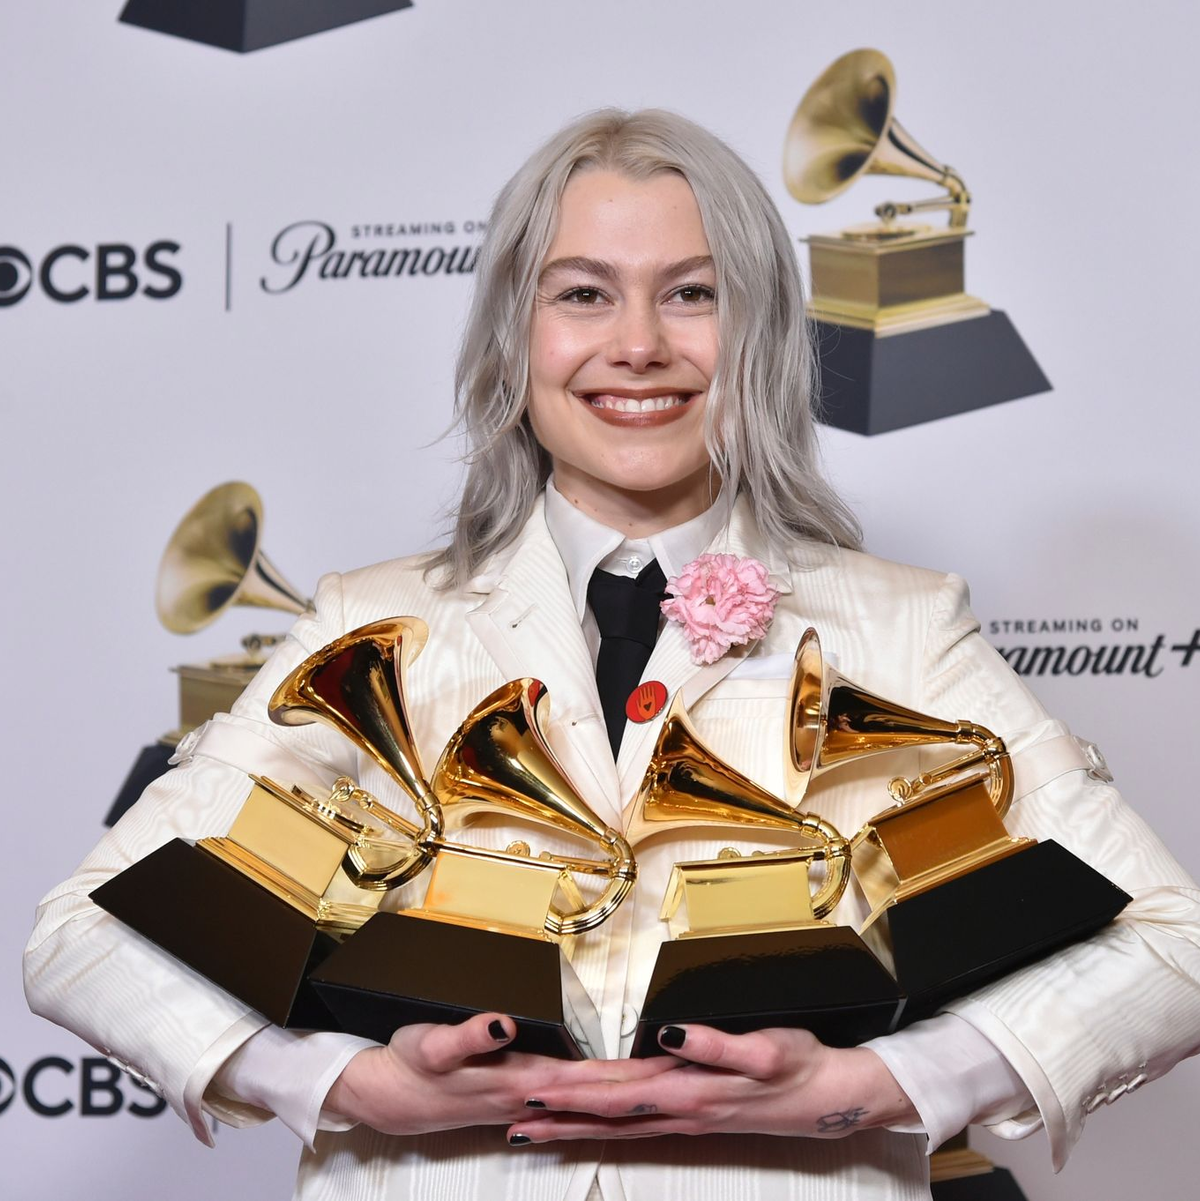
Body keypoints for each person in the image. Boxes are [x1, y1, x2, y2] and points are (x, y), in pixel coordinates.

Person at [24, 110, 1200, 1201]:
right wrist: (328, 1082)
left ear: (760, 336)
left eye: (691, 294)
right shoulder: (362, 622)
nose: (638, 345)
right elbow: (81, 935)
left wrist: (881, 1088)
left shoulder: (900, 624)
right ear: (512, 340)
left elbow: (1173, 948)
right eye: (584, 294)